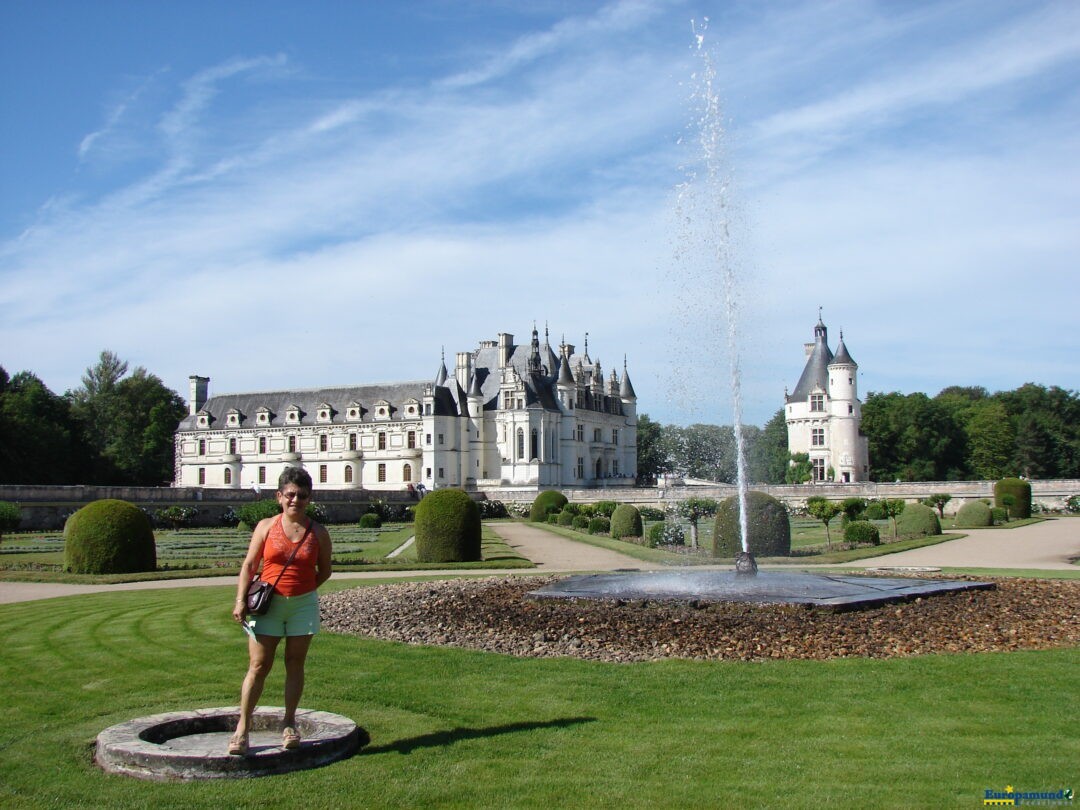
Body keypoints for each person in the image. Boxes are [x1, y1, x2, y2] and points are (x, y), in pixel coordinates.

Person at [229, 467, 332, 755]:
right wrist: (240, 600)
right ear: (279, 496)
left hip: (302, 605)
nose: (295, 500)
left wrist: (302, 589)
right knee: (259, 666)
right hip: (268, 606)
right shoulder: (265, 526)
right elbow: (249, 566)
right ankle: (243, 727)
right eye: (290, 495)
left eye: (301, 496)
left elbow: (325, 570)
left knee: (295, 663)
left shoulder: (318, 532)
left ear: (309, 499)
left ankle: (289, 723)